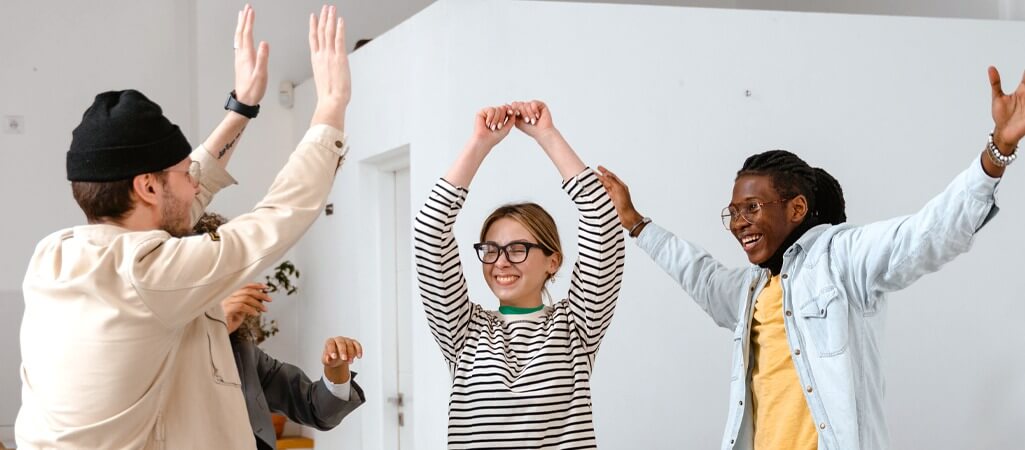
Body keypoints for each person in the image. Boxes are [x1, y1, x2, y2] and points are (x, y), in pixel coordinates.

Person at [595, 65, 1023, 450]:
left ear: (796, 209)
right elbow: (698, 273)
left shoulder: (840, 258)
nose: (738, 223)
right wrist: (635, 222)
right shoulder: (750, 290)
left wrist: (996, 153)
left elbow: (925, 234)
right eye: (734, 212)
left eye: (752, 208)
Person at [16, 5, 352, 448]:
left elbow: (178, 205)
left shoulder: (51, 257)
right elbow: (279, 217)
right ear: (147, 187)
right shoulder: (148, 275)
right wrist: (330, 108)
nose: (197, 184)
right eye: (183, 172)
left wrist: (242, 106)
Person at [413, 100, 625, 448]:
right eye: (491, 249)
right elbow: (429, 232)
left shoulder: (576, 326)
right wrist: (479, 144)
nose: (500, 262)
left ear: (552, 261)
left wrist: (547, 135)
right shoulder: (462, 332)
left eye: (517, 249)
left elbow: (602, 220)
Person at [194, 213, 367, 450]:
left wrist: (336, 370)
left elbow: (314, 409)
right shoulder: (152, 350)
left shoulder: (243, 353)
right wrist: (213, 327)